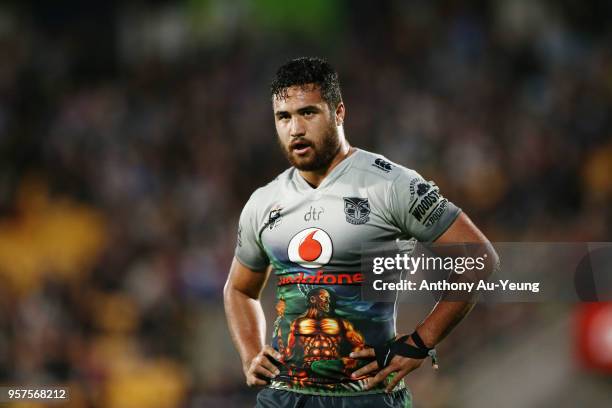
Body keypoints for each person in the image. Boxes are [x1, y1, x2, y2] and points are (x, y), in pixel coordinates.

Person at [224, 57, 498, 408]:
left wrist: (420, 341)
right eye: (284, 117)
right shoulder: (264, 202)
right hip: (285, 397)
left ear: (338, 113)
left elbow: (478, 258)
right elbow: (239, 289)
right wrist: (250, 354)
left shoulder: (391, 185)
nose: (295, 129)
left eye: (308, 113)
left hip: (366, 397)